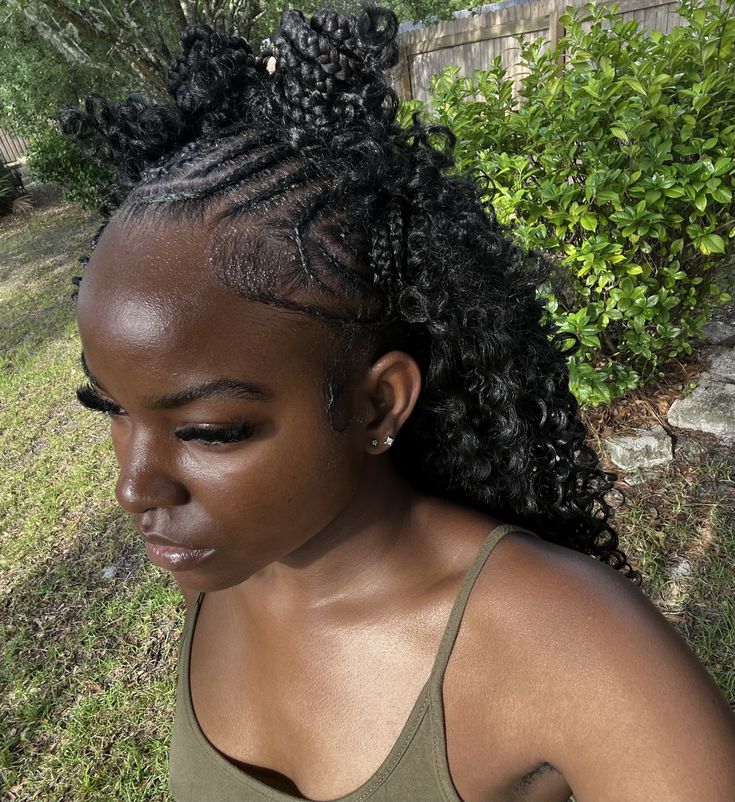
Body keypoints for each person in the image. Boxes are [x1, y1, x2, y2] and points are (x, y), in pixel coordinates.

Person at [63, 5, 735, 801]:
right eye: (110, 407)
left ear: (379, 404)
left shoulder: (571, 648)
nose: (134, 488)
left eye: (211, 431)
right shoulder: (228, 563)